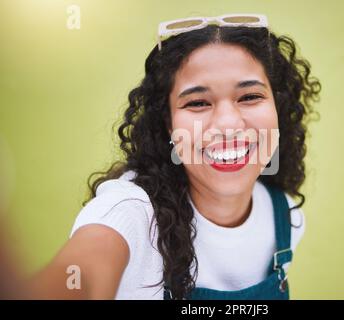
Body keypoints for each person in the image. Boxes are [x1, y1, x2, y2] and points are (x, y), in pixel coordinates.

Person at [29, 13, 321, 300]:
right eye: (197, 102)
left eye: (249, 97)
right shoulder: (130, 212)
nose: (228, 124)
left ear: (278, 110)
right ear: (168, 124)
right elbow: (83, 273)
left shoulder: (286, 217)